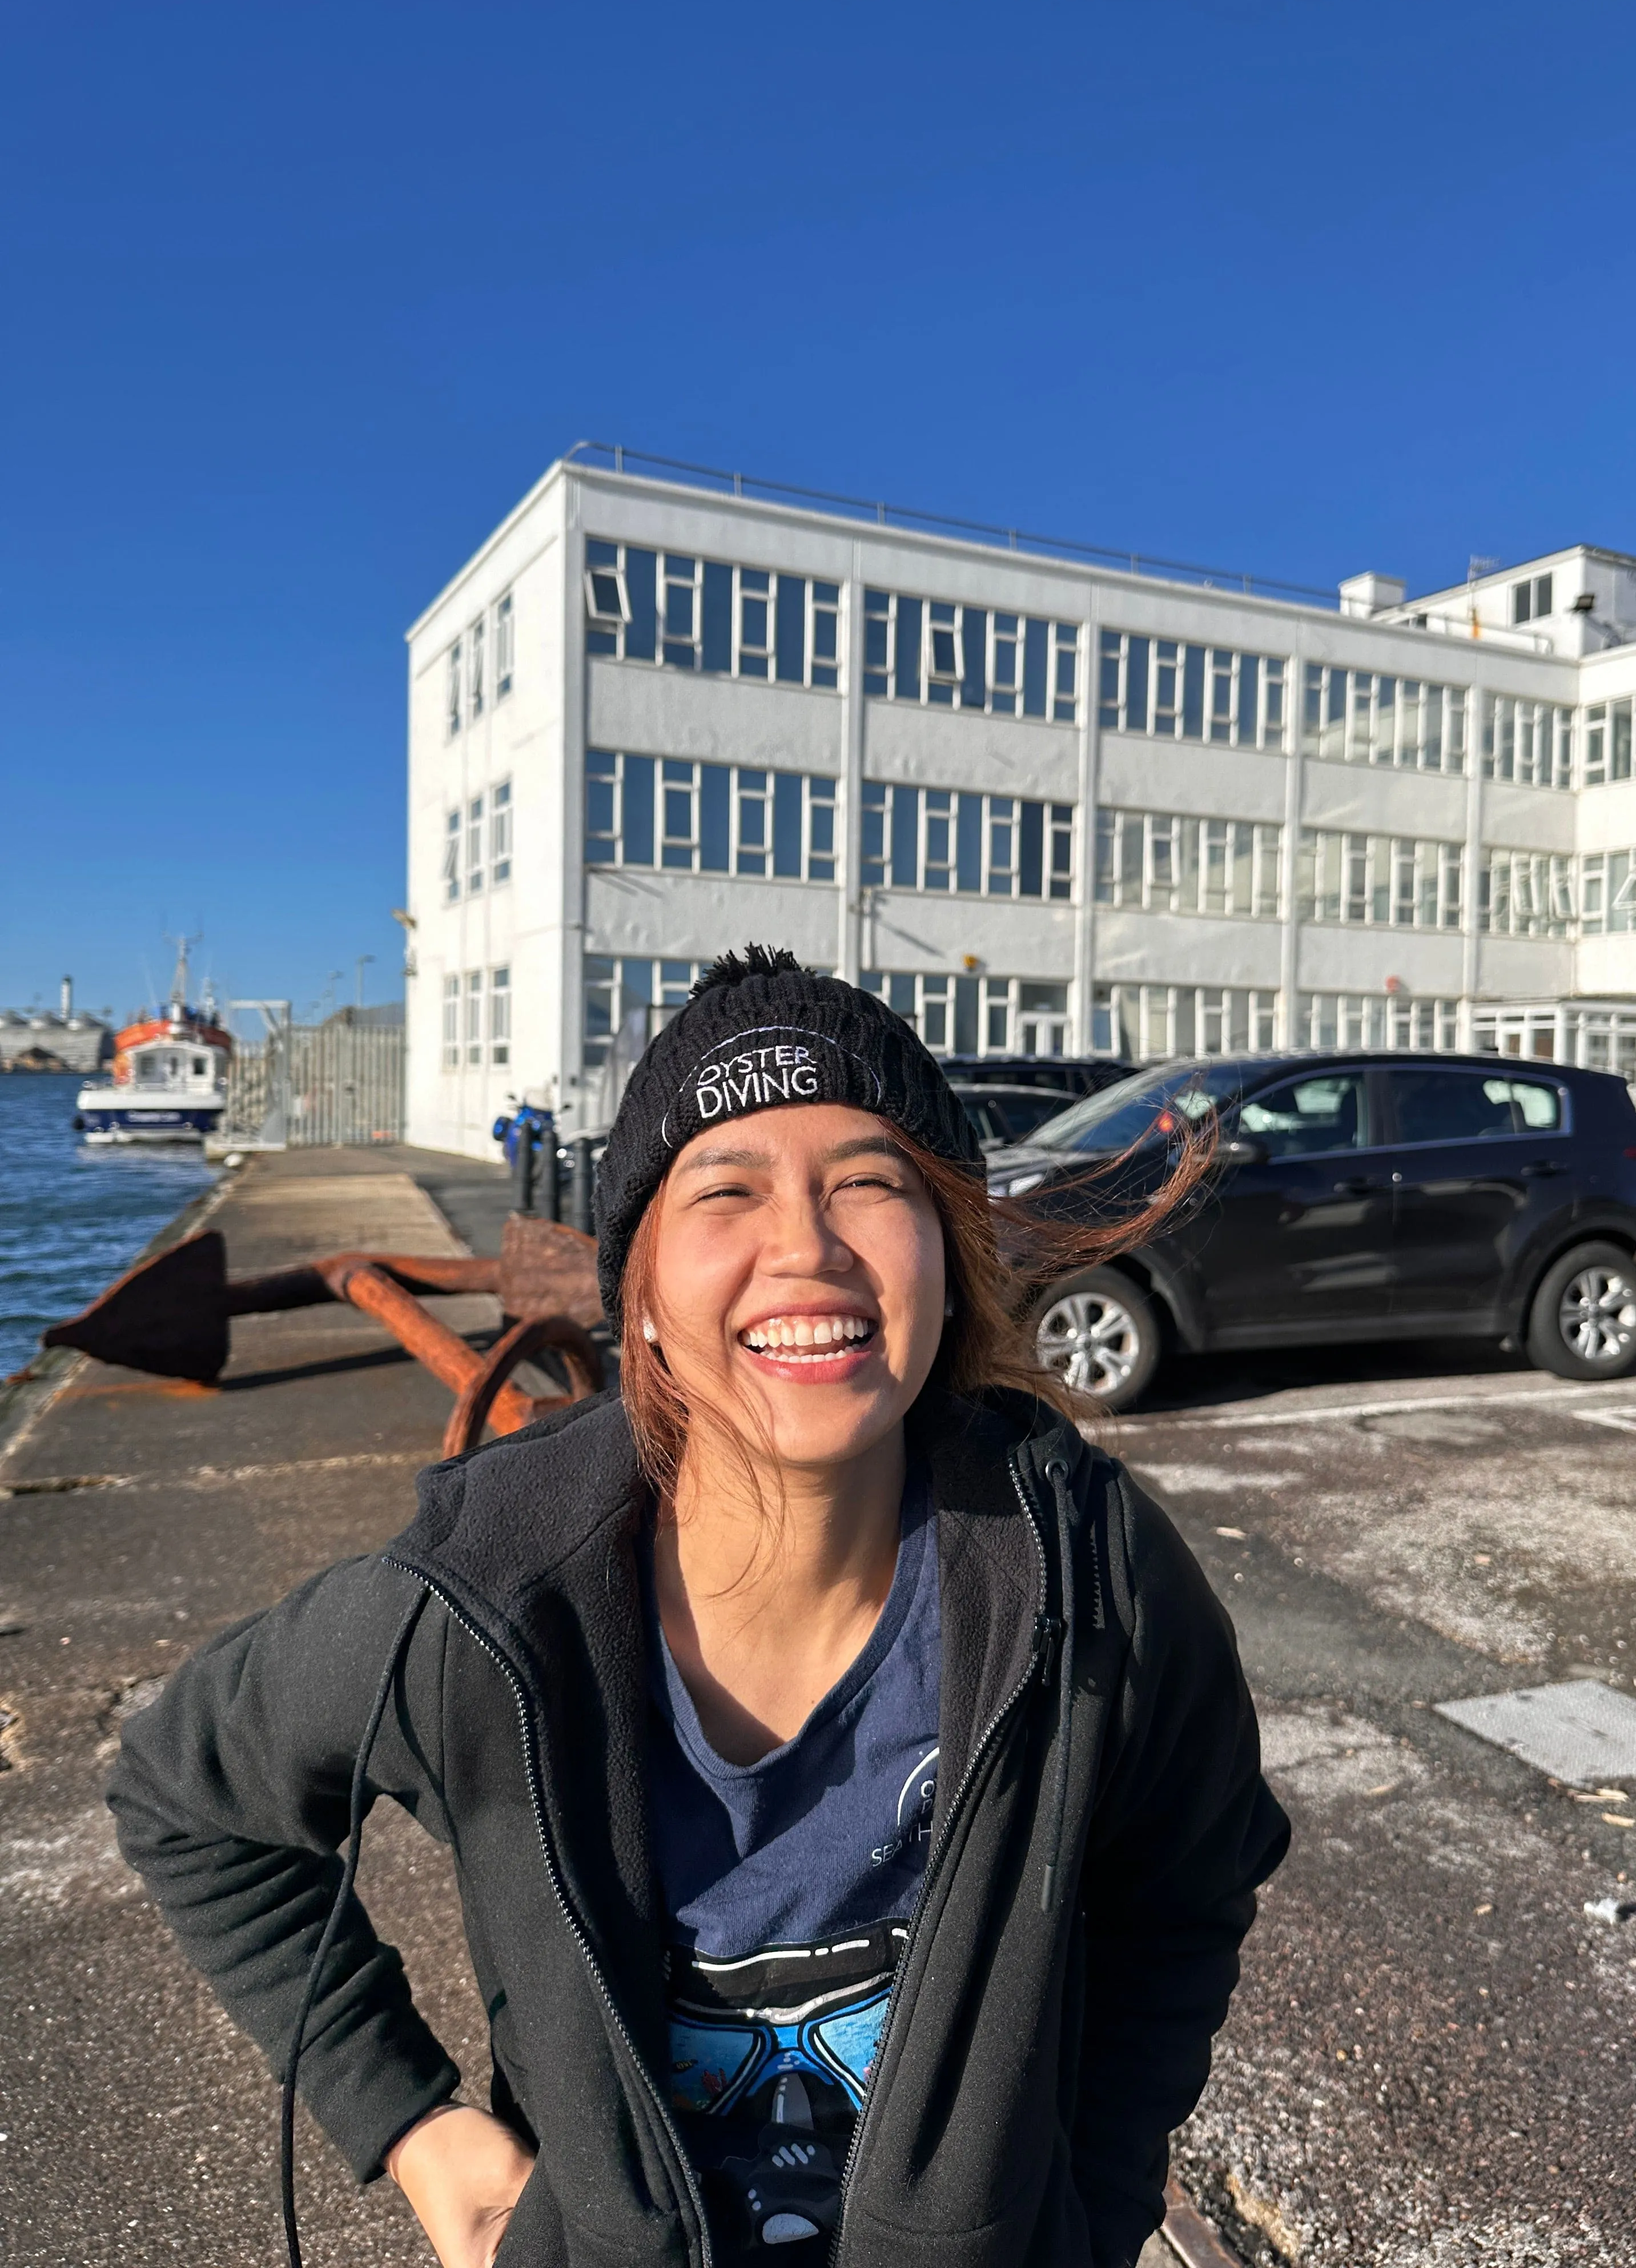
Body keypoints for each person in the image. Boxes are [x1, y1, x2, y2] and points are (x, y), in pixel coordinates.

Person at [110, 948, 1289, 2268]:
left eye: (868, 1181)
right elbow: (187, 1797)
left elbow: (1187, 1890)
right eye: (727, 1190)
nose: (806, 1244)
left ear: (950, 1259)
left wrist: (1094, 2203)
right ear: (647, 1297)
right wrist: (413, 2123)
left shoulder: (1089, 1568)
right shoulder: (490, 1607)